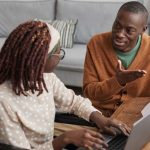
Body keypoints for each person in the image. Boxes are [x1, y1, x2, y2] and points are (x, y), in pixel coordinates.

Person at [0, 20, 130, 150]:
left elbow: (74, 102)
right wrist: (64, 139)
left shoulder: (45, 78)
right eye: (58, 51)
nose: (60, 56)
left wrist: (100, 119)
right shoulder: (4, 102)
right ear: (41, 58)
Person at [83, 1, 150, 117]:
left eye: (129, 30)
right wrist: (117, 81)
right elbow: (89, 92)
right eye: (117, 25)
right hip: (100, 115)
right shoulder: (96, 44)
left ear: (143, 29)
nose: (120, 34)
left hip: (135, 117)